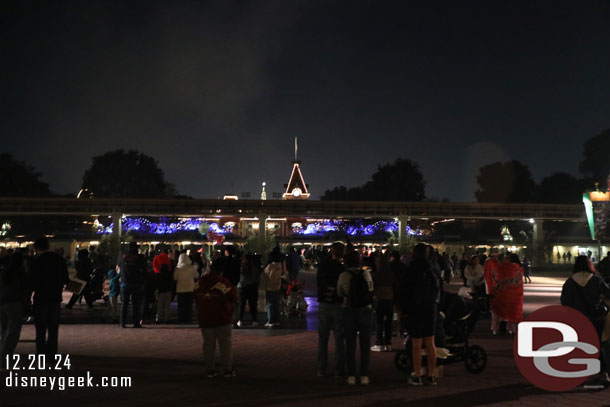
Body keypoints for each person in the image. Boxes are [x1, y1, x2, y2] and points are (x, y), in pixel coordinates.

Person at [561, 255, 610, 385]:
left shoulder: (570, 282)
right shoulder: (596, 280)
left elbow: (564, 301)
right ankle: (603, 372)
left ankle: (576, 371)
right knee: (598, 345)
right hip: (597, 317)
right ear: (590, 265)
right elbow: (608, 294)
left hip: (577, 318)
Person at [402, 243, 440, 386]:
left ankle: (417, 374)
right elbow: (438, 288)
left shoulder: (411, 269)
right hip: (430, 308)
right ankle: (431, 375)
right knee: (430, 342)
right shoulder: (433, 268)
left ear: (413, 253)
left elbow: (405, 291)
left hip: (415, 309)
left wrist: (404, 311)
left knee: (416, 343)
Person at [194, 257, 238, 378]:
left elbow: (195, 295)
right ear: (221, 271)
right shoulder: (224, 283)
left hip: (205, 318)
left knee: (208, 345)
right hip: (222, 317)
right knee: (225, 345)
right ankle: (228, 369)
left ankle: (210, 369)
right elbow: (234, 297)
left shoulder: (200, 282)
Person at [337, 250, 374, 385]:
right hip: (365, 309)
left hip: (349, 309)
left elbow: (339, 293)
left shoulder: (344, 275)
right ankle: (364, 374)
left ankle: (351, 374)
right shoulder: (366, 274)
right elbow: (371, 290)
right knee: (365, 343)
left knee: (350, 343)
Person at [30, 237, 69, 358]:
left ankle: (41, 353)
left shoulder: (37, 261)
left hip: (41, 298)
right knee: (53, 328)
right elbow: (65, 279)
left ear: (37, 248)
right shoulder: (59, 259)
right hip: (55, 297)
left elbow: (32, 281)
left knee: (40, 329)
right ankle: (52, 354)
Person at [316, 242, 346, 377]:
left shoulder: (323, 265)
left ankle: (321, 368)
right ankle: (339, 369)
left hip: (324, 302)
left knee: (323, 338)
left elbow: (318, 282)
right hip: (338, 303)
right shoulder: (342, 268)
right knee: (339, 338)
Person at [0, 251, 27, 361]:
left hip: (2, 303)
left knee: (4, 330)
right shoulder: (21, 274)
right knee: (12, 333)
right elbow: (24, 290)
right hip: (15, 303)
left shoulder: (5, 272)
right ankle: (4, 358)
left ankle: (4, 355)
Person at [489, 253, 524, 335]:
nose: (505, 260)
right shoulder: (519, 268)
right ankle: (511, 329)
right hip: (514, 293)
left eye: (507, 258)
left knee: (500, 310)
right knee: (512, 311)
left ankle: (497, 328)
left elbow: (495, 275)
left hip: (504, 292)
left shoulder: (506, 267)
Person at [371, 254, 398, 352]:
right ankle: (388, 342)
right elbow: (396, 287)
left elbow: (372, 288)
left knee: (379, 321)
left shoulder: (376, 274)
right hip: (390, 299)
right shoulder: (391, 274)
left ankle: (379, 342)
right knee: (388, 322)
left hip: (379, 299)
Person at [119, 241, 147, 328]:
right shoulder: (140, 258)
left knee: (125, 304)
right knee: (136, 304)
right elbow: (144, 270)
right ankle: (136, 322)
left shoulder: (123, 258)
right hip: (136, 284)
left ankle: (122, 323)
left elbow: (119, 269)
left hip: (125, 283)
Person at [174, 253, 198, 323]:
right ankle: (188, 319)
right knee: (188, 305)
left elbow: (175, 277)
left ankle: (181, 319)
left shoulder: (177, 268)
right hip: (189, 289)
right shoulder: (191, 268)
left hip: (180, 289)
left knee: (181, 306)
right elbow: (196, 275)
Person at [236, 254, 260, 327]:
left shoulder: (241, 268)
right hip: (252, 287)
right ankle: (254, 321)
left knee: (241, 305)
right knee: (252, 305)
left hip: (241, 288)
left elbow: (237, 277)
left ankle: (240, 320)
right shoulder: (254, 268)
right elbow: (258, 278)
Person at [263, 248, 284, 328]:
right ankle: (276, 320)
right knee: (276, 304)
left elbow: (266, 275)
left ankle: (270, 321)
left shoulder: (270, 266)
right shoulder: (280, 265)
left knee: (270, 304)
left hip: (270, 287)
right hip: (277, 286)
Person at [156, 256, 174, 323]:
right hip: (168, 291)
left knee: (159, 306)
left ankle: (158, 318)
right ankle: (167, 318)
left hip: (160, 291)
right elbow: (172, 282)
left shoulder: (158, 275)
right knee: (167, 306)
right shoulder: (169, 275)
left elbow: (156, 283)